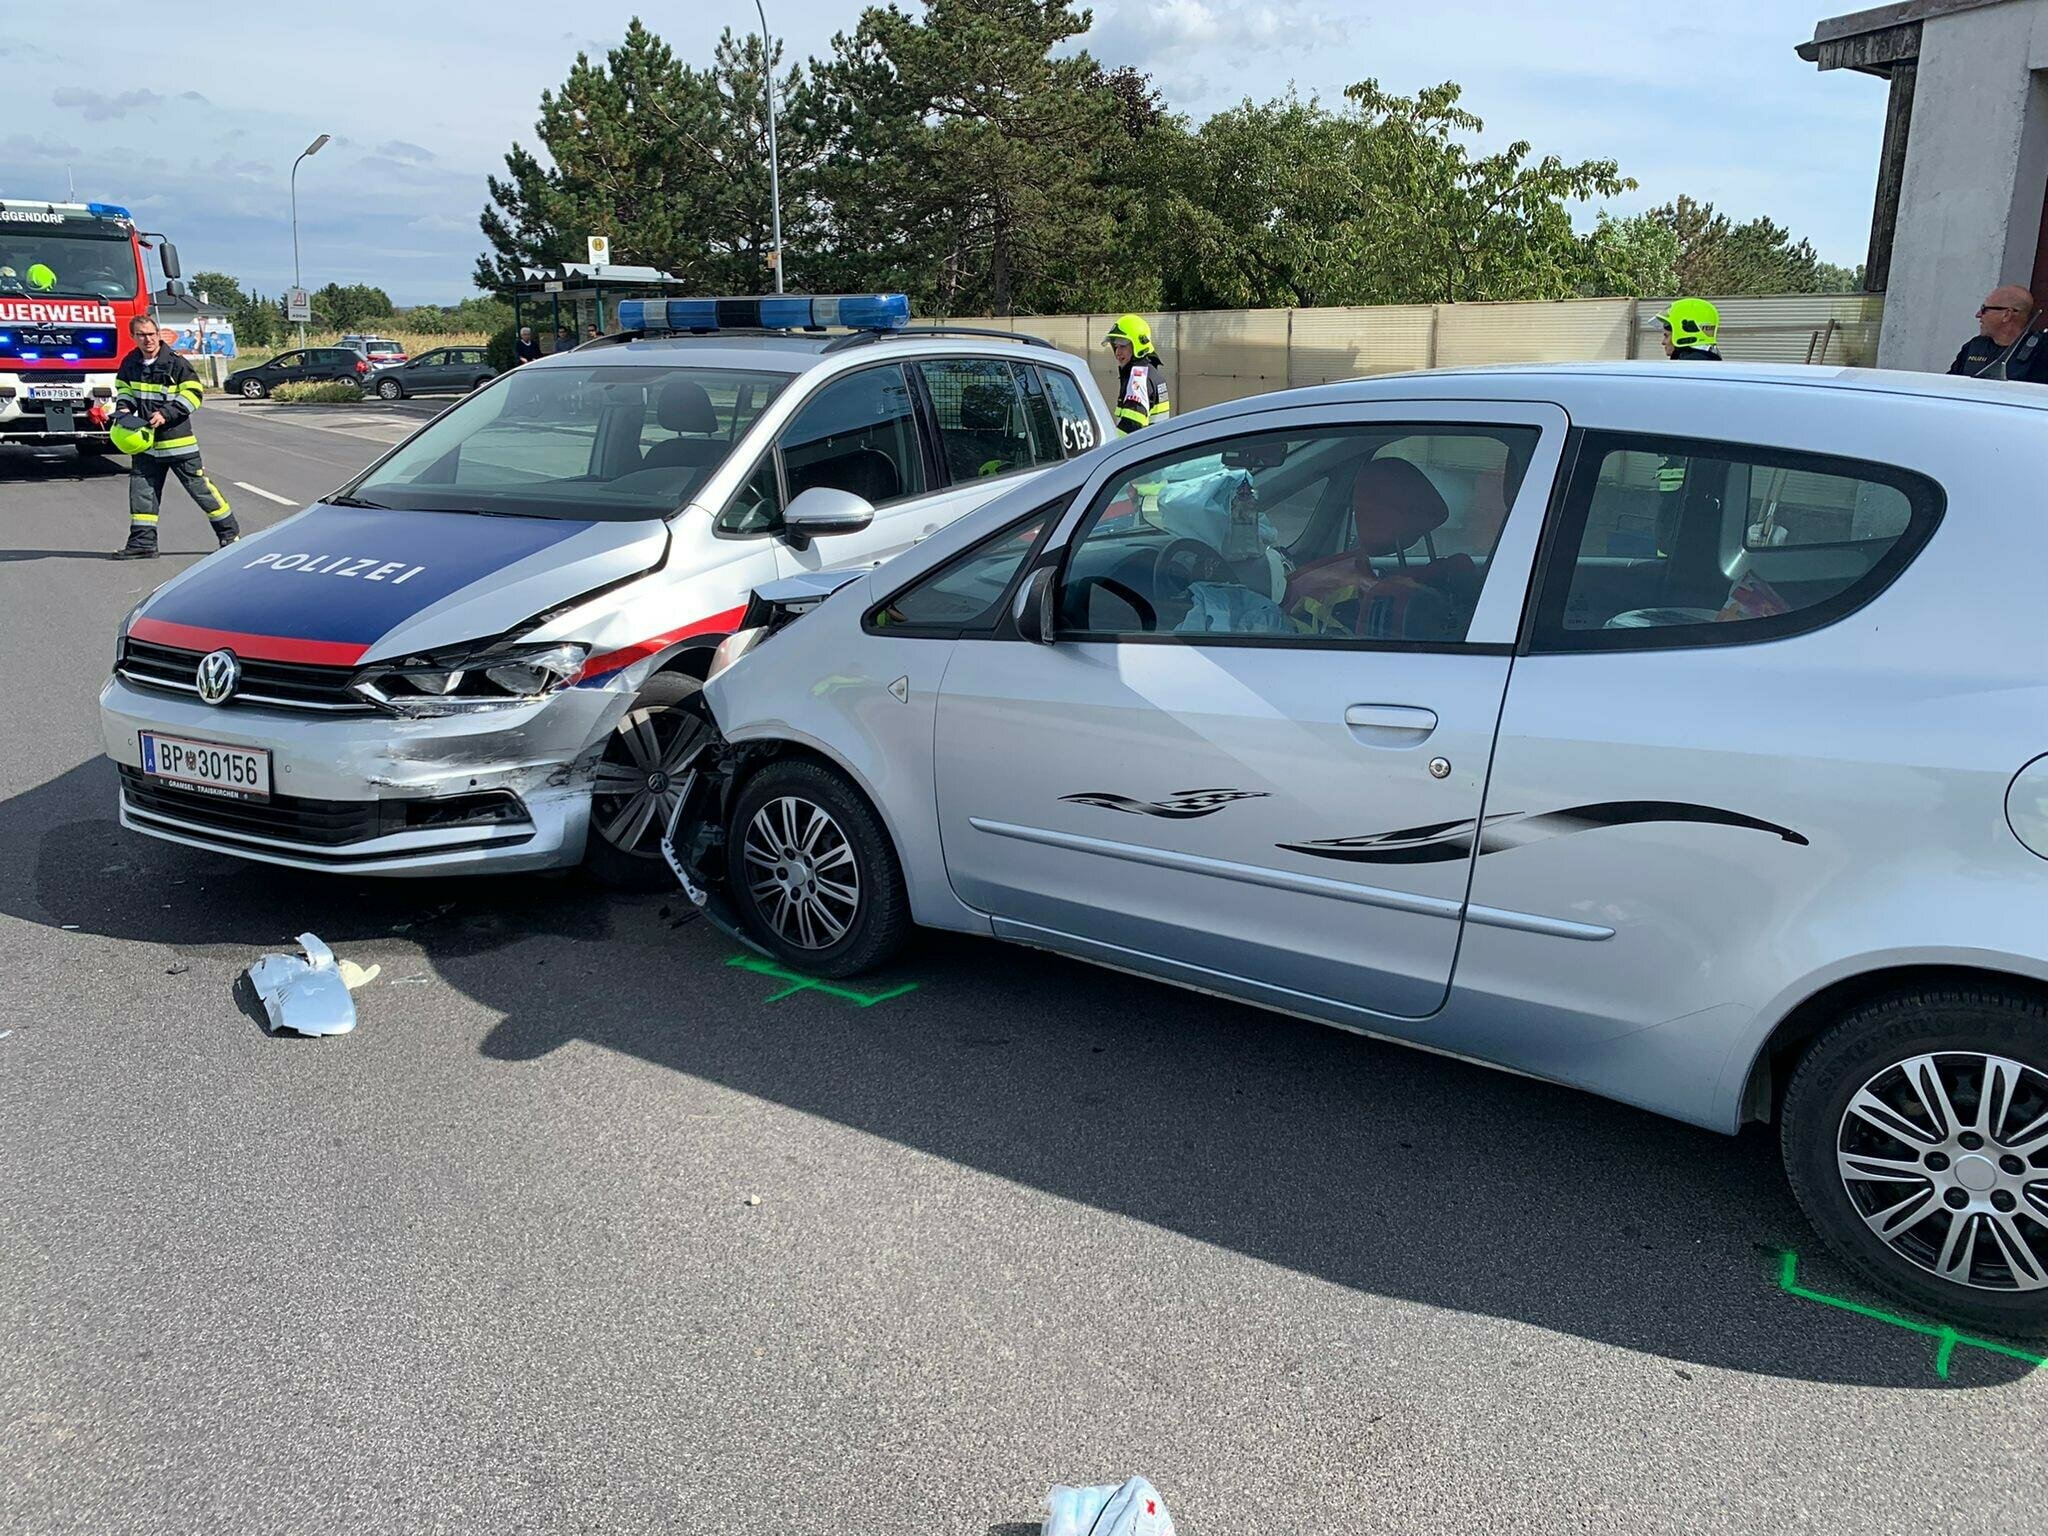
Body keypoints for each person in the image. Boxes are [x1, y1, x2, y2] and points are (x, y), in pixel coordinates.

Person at [110, 315, 238, 561]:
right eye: (141, 335)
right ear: (133, 337)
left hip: (177, 442)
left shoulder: (176, 363)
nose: (147, 339)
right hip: (145, 442)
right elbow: (124, 389)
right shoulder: (130, 362)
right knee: (142, 493)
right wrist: (124, 407)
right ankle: (143, 544)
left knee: (200, 490)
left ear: (158, 333)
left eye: (150, 334)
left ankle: (230, 535)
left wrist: (167, 414)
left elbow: (193, 394)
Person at [1947, 284, 2048, 381]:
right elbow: (1950, 386)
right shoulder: (1974, 346)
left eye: (1984, 309)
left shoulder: (2041, 350)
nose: (1978, 315)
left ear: (2007, 315)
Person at [1104, 314, 1170, 435]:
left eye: (1123, 346)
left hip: (1136, 452)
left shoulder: (1138, 377)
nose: (1118, 352)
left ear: (1138, 345)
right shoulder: (1150, 372)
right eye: (1115, 346)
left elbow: (1131, 427)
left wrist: (1108, 447)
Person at [1655, 298, 1723, 361]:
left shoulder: (1685, 367)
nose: (1663, 342)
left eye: (1666, 335)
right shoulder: (1708, 360)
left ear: (1683, 337)